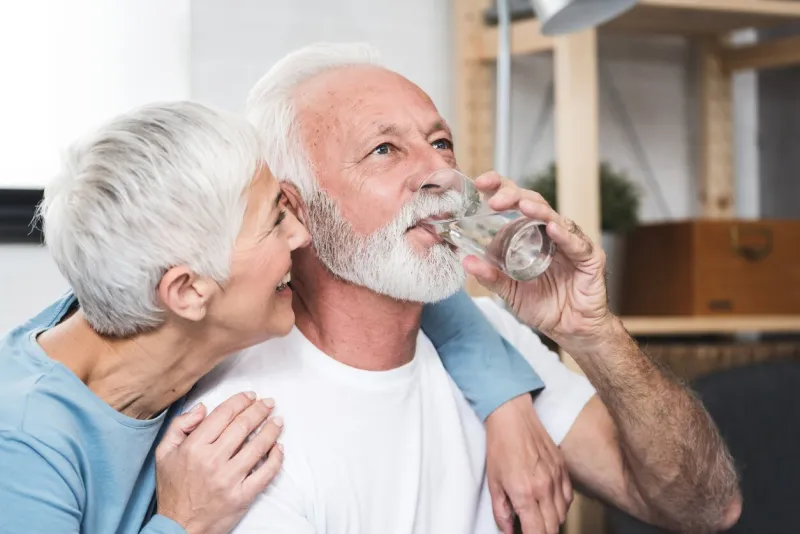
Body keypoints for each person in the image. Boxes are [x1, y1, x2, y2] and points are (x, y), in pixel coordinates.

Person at [189, 42, 743, 534]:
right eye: (384, 149)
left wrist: (593, 334)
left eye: (441, 142)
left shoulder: (496, 342)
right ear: (296, 209)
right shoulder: (241, 430)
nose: (438, 171)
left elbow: (704, 509)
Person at [0, 101, 550, 533]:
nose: (301, 236)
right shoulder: (23, 446)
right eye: (274, 222)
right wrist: (184, 522)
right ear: (188, 291)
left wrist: (504, 403)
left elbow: (397, 280)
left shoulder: (146, 308)